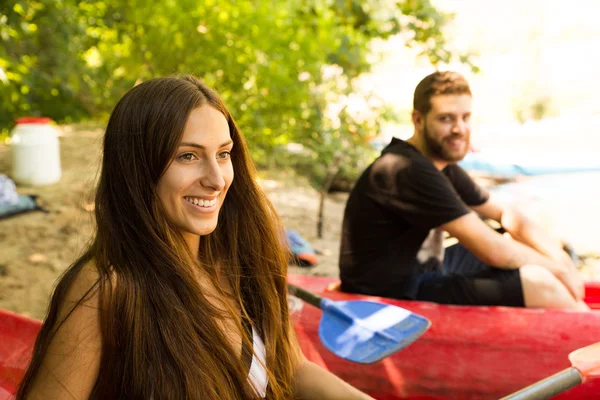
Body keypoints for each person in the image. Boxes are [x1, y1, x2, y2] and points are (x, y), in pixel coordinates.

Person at [17, 75, 373, 399]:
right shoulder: (106, 287)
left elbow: (291, 369)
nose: (216, 179)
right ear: (138, 170)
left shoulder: (244, 260)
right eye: (187, 156)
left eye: (223, 154)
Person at [339, 71, 588, 311]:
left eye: (465, 117)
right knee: (540, 282)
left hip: (421, 265)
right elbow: (492, 250)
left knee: (533, 251)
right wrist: (556, 271)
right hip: (392, 289)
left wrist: (560, 260)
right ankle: (584, 331)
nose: (459, 128)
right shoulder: (406, 169)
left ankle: (573, 309)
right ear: (418, 120)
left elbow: (506, 214)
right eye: (446, 118)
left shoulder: (439, 164)